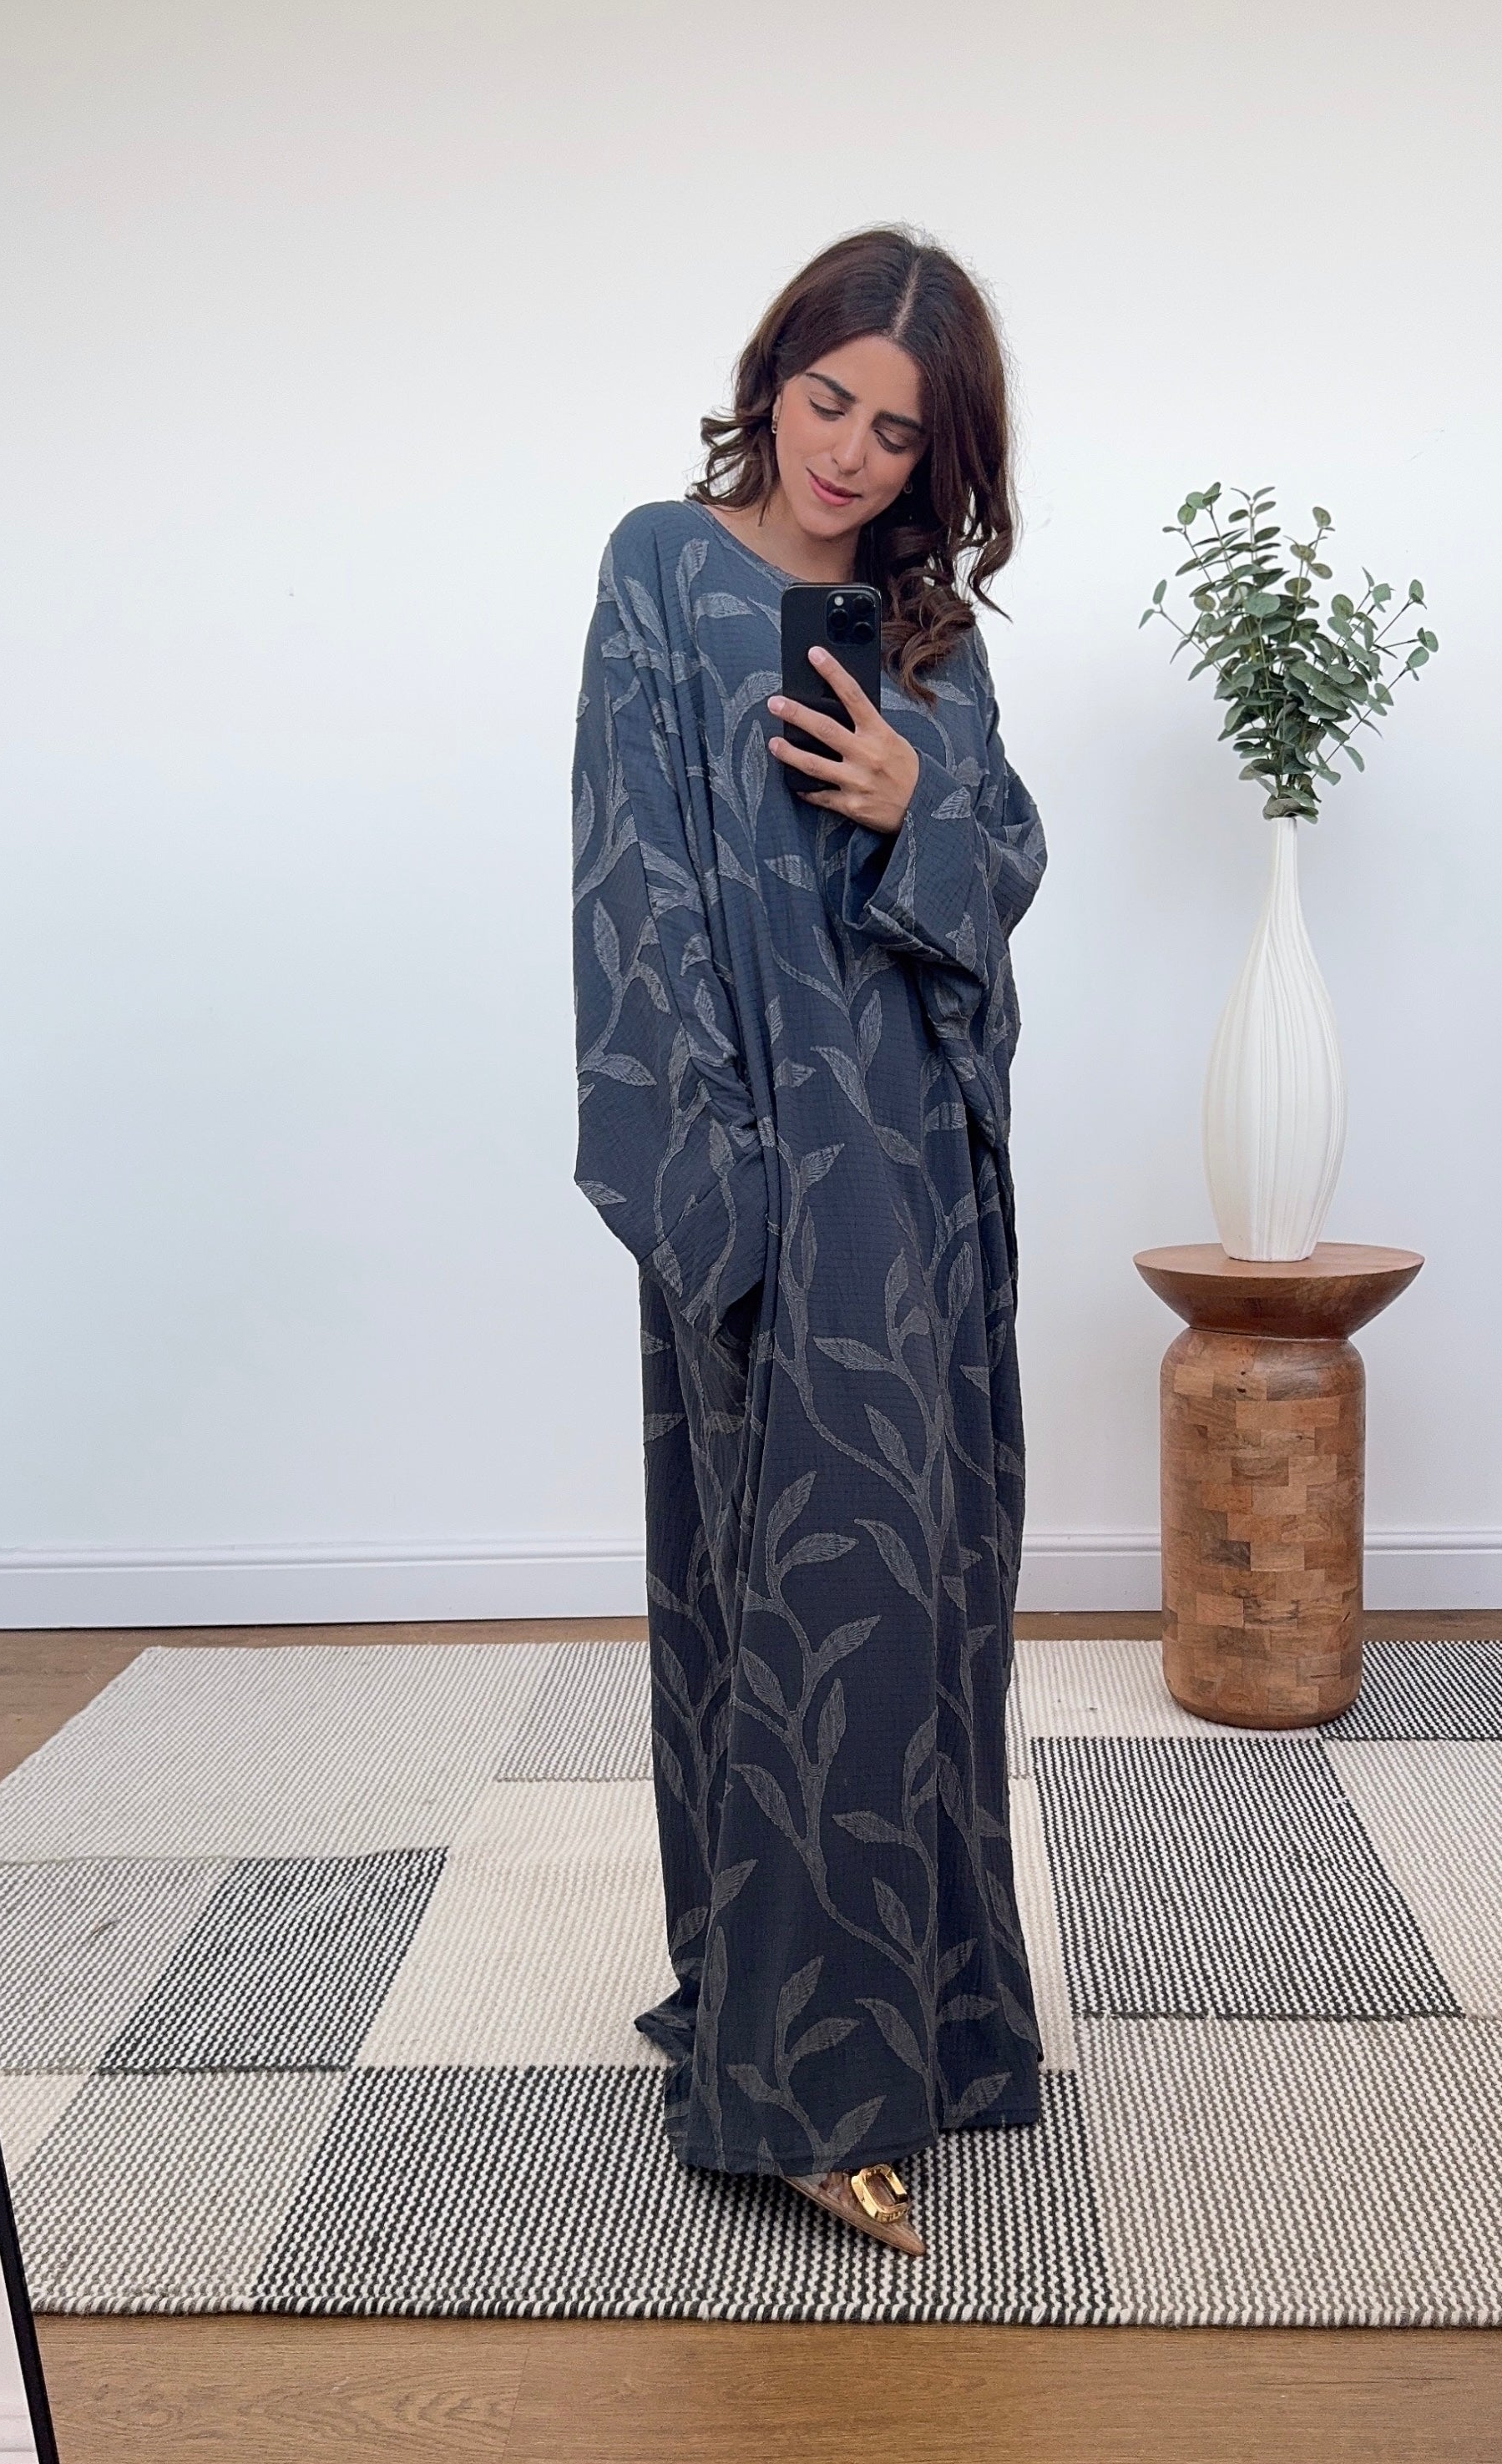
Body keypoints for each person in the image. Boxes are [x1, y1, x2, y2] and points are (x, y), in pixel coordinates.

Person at [569, 225, 1049, 2258]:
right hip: (760, 1173)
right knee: (786, 1599)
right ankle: (800, 2081)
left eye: (898, 431)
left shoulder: (929, 633)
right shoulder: (662, 572)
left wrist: (913, 795)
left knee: (915, 1595)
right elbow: (634, 879)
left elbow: (1006, 859)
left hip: (917, 1167)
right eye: (828, 398)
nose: (848, 451)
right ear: (773, 375)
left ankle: (924, 2026)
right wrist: (720, 1186)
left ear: (942, 458)